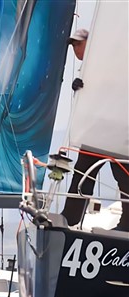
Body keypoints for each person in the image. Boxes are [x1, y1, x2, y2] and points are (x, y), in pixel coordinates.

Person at [60, 28, 129, 231]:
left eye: (78, 44)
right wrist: (79, 89)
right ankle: (69, 218)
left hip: (118, 133)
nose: (75, 49)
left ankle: (127, 225)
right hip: (95, 132)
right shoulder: (86, 69)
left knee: (125, 180)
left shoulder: (111, 62)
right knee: (82, 175)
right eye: (73, 45)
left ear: (91, 44)